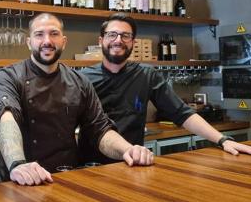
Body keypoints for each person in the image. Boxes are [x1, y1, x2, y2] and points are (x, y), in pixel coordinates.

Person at [0, 12, 154, 186]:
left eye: (54, 34)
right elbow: (7, 118)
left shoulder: (79, 81)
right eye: (39, 34)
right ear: (29, 42)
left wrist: (128, 150)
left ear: (64, 41)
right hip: (19, 180)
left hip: (64, 178)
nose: (47, 41)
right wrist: (17, 164)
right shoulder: (9, 76)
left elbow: (99, 129)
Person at [79, 12, 251, 164]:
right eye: (112, 35)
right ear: (101, 40)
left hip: (132, 163)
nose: (118, 40)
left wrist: (222, 140)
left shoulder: (146, 75)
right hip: (89, 165)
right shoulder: (83, 78)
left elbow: (182, 113)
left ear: (133, 42)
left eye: (125, 36)